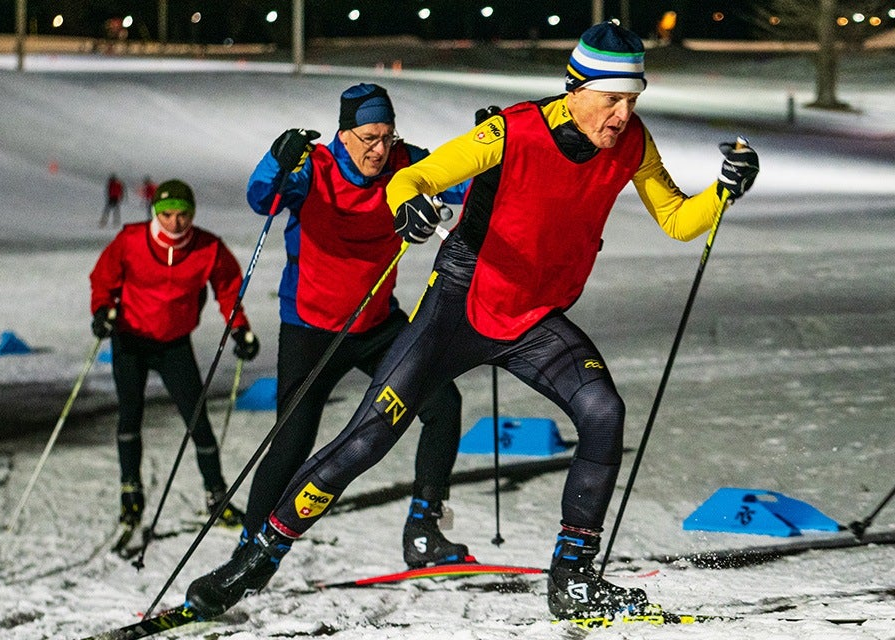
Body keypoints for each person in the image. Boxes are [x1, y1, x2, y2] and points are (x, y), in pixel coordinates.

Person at [186, 22, 759, 620]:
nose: (622, 114)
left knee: (603, 411)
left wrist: (722, 191)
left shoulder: (633, 143)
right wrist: (407, 203)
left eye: (632, 99)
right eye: (612, 98)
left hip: (533, 316)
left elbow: (676, 219)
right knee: (367, 438)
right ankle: (256, 560)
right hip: (459, 306)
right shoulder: (511, 131)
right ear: (576, 88)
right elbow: (414, 177)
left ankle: (573, 579)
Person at [233, 83, 470, 570]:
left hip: (376, 324)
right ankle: (249, 551)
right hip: (310, 328)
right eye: (368, 137)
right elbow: (263, 199)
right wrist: (277, 159)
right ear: (344, 134)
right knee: (293, 442)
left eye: (386, 136)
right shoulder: (315, 167)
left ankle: (422, 531)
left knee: (442, 403)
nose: (379, 149)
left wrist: (493, 142)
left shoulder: (406, 163)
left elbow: (466, 180)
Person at [90, 179, 261, 533]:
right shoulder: (131, 240)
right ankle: (130, 493)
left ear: (192, 214)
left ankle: (216, 496)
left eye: (182, 215)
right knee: (130, 417)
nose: (174, 222)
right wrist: (102, 310)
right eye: (166, 214)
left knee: (198, 421)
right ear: (156, 213)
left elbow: (228, 289)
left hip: (174, 344)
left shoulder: (208, 247)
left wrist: (240, 328)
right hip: (130, 340)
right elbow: (103, 279)